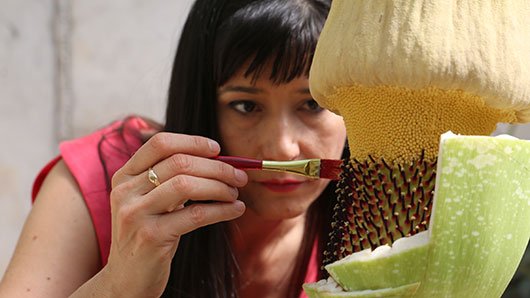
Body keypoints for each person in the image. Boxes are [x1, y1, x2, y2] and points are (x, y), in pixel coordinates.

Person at [0, 0, 347, 297]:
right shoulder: (98, 179)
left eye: (313, 104)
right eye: (245, 106)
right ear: (199, 105)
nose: (283, 149)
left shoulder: (376, 216)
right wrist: (119, 285)